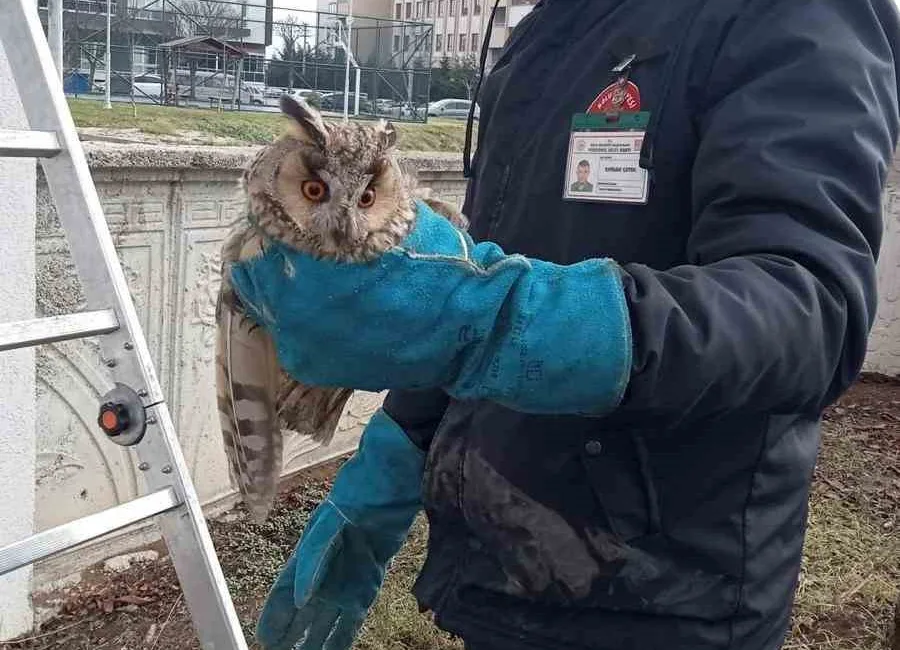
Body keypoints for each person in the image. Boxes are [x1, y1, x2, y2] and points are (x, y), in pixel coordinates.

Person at [229, 0, 900, 649]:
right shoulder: (548, 30)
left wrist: (499, 320)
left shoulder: (795, 10)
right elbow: (477, 279)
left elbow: (809, 311)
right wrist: (394, 457)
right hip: (505, 560)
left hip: (660, 594)